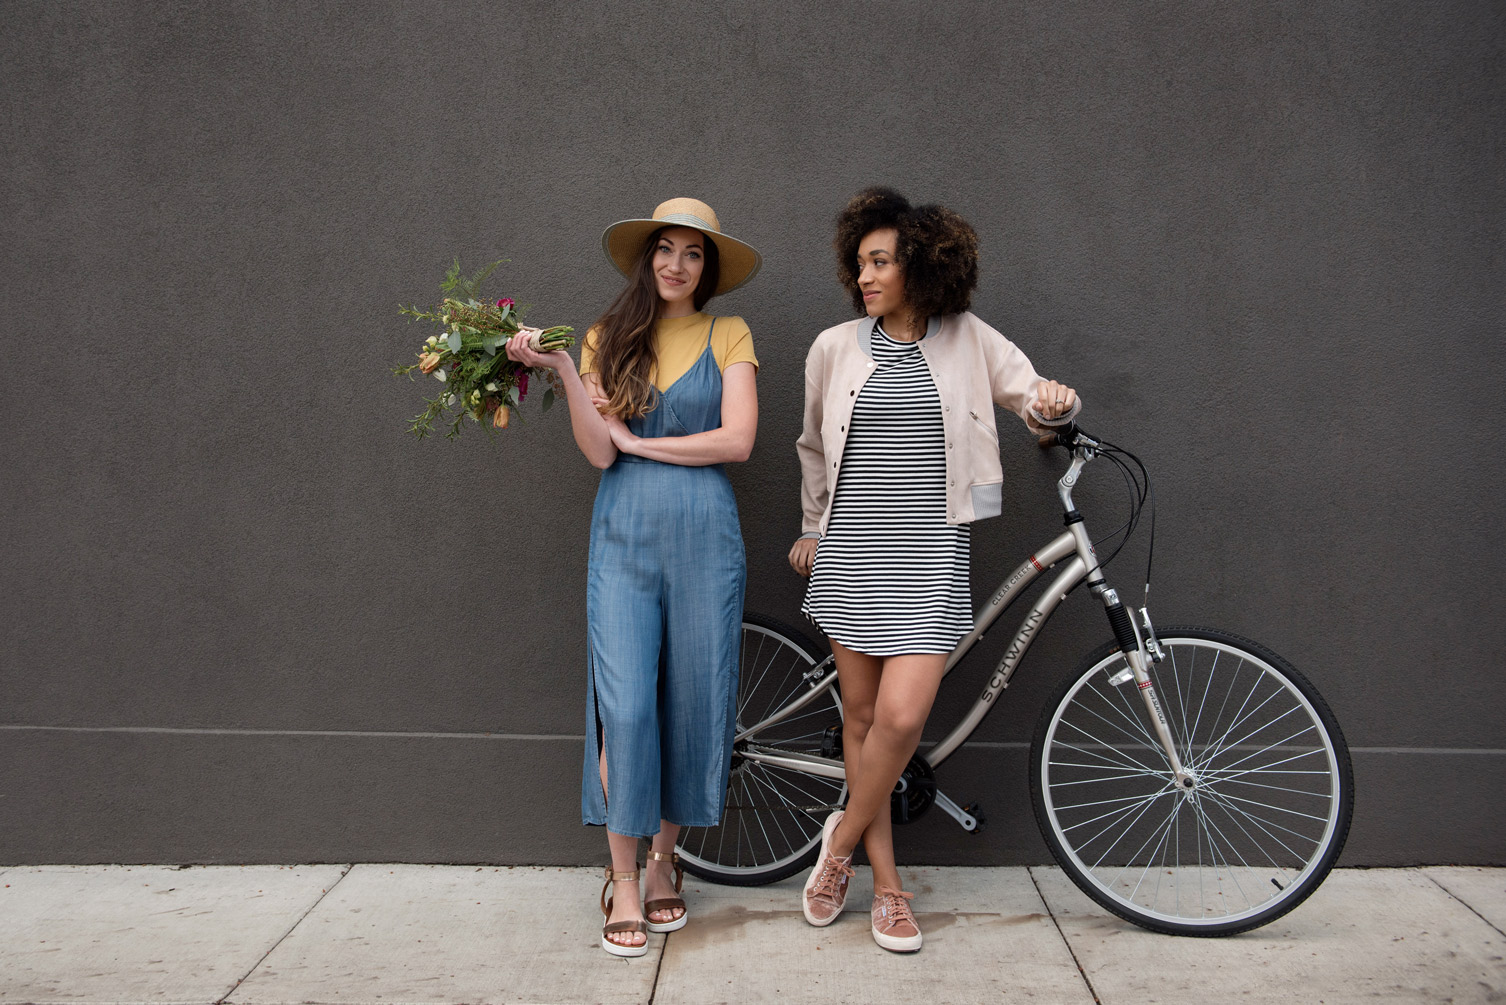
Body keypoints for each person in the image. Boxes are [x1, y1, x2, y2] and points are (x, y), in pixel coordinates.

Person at [788, 187, 1078, 953]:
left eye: (881, 261)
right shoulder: (833, 348)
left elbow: (1034, 403)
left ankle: (838, 846)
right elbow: (814, 448)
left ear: (922, 261)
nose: (867, 277)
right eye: (860, 264)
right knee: (859, 722)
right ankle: (887, 890)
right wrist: (814, 527)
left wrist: (1054, 403)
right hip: (853, 551)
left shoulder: (971, 339)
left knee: (902, 719)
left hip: (929, 555)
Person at [506, 198, 761, 957]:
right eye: (666, 248)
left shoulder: (729, 332)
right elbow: (598, 453)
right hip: (622, 533)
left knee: (688, 699)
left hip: (706, 536)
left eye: (693, 253)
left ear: (706, 267)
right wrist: (559, 368)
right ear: (648, 257)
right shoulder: (601, 337)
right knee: (625, 707)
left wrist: (644, 444)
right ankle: (621, 875)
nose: (677, 263)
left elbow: (739, 440)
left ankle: (661, 864)